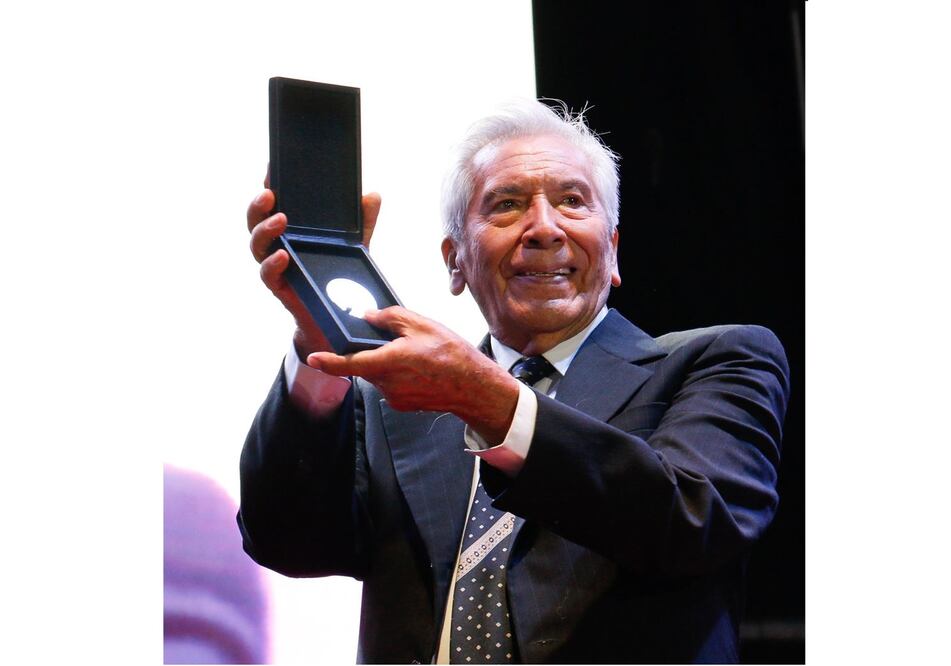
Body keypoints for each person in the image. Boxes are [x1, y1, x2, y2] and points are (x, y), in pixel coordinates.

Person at [238, 99, 790, 664]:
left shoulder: (718, 361)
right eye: (507, 205)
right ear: (455, 261)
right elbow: (287, 541)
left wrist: (487, 400)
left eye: (572, 202)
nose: (545, 229)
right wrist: (318, 348)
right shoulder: (395, 404)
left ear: (614, 250)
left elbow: (691, 521)